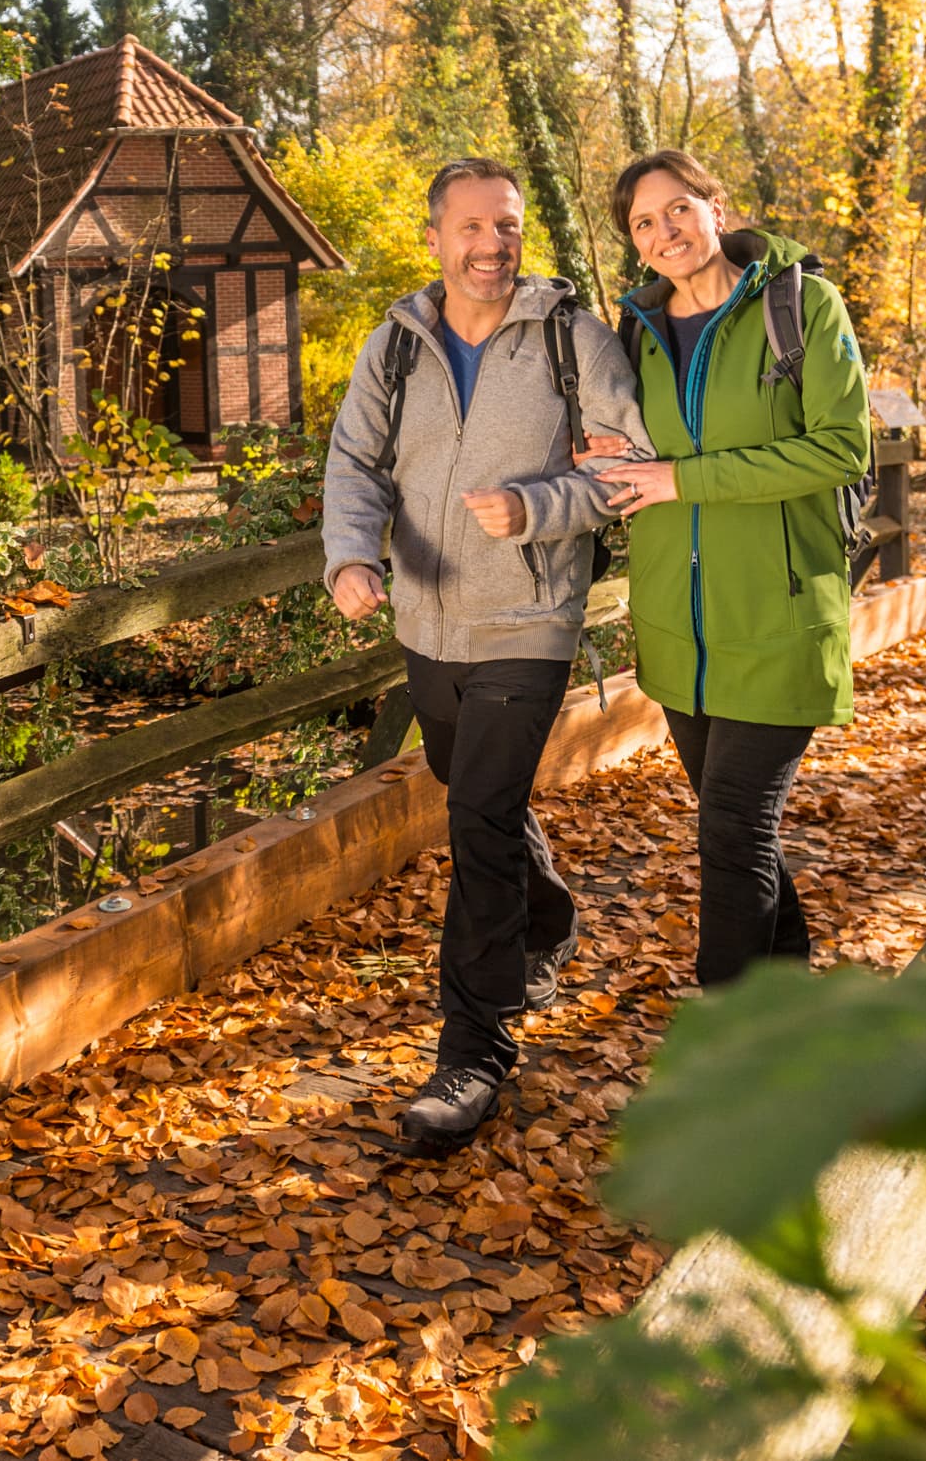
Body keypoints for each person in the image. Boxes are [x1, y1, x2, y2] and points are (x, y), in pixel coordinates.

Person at [320, 157, 648, 1149]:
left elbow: (628, 469)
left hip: (531, 619)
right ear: (435, 238)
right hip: (426, 620)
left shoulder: (571, 339)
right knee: (469, 787)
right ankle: (544, 917)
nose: (489, 246)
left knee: (478, 816)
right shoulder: (396, 345)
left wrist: (539, 508)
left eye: (504, 227)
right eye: (469, 228)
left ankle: (472, 1050)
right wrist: (347, 558)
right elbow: (354, 460)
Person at [592, 150, 871, 988]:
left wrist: (683, 478)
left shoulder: (802, 305)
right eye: (645, 222)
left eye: (679, 208)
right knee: (731, 826)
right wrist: (614, 458)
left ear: (718, 208)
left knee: (735, 828)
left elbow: (841, 446)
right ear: (636, 244)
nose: (666, 230)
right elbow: (644, 451)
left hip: (779, 616)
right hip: (679, 627)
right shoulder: (634, 333)